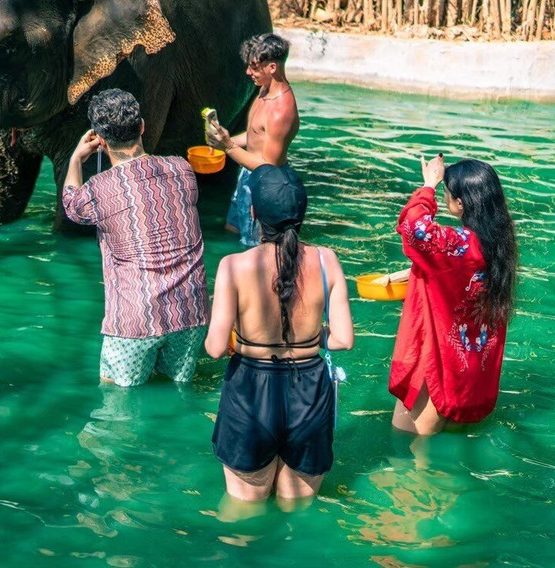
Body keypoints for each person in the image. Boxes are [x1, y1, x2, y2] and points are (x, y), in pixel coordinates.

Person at [205, 164, 353, 505]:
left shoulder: (233, 265)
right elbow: (343, 340)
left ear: (255, 213)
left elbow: (214, 347)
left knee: (243, 513)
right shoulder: (327, 260)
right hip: (310, 392)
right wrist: (307, 337)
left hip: (250, 392)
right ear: (302, 214)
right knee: (298, 511)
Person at [62, 88, 210, 388]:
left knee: (115, 406)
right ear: (142, 126)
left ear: (100, 140)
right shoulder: (182, 169)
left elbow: (71, 206)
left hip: (136, 320)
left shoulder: (98, 190)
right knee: (175, 394)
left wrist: (76, 159)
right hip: (190, 313)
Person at [390, 155, 518, 435]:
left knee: (411, 456)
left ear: (461, 203)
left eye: (447, 194)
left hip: (439, 366)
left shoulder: (456, 245)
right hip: (474, 376)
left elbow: (414, 228)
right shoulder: (499, 245)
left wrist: (428, 186)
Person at [207, 34, 300, 246]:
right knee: (233, 230)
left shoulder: (281, 111)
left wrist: (227, 146)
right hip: (248, 175)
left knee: (254, 244)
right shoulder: (264, 90)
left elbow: (269, 167)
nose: (248, 72)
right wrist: (224, 139)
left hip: (266, 185)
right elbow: (254, 135)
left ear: (272, 68)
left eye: (255, 67)